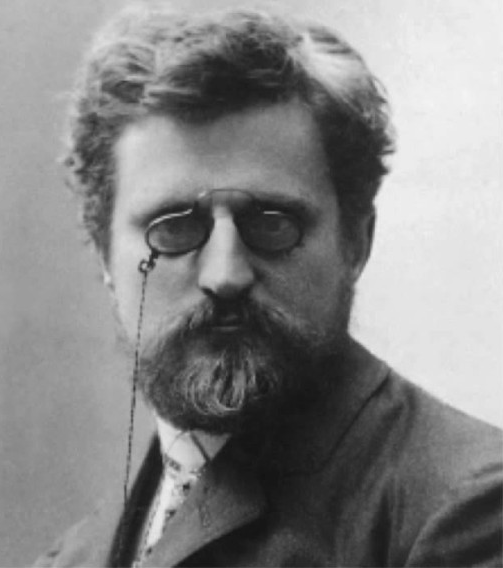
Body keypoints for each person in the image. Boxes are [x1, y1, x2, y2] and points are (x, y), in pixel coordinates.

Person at [35, 4, 502, 567]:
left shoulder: (465, 508)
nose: (225, 275)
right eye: (174, 228)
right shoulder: (75, 557)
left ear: (356, 243)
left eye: (274, 224)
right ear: (103, 253)